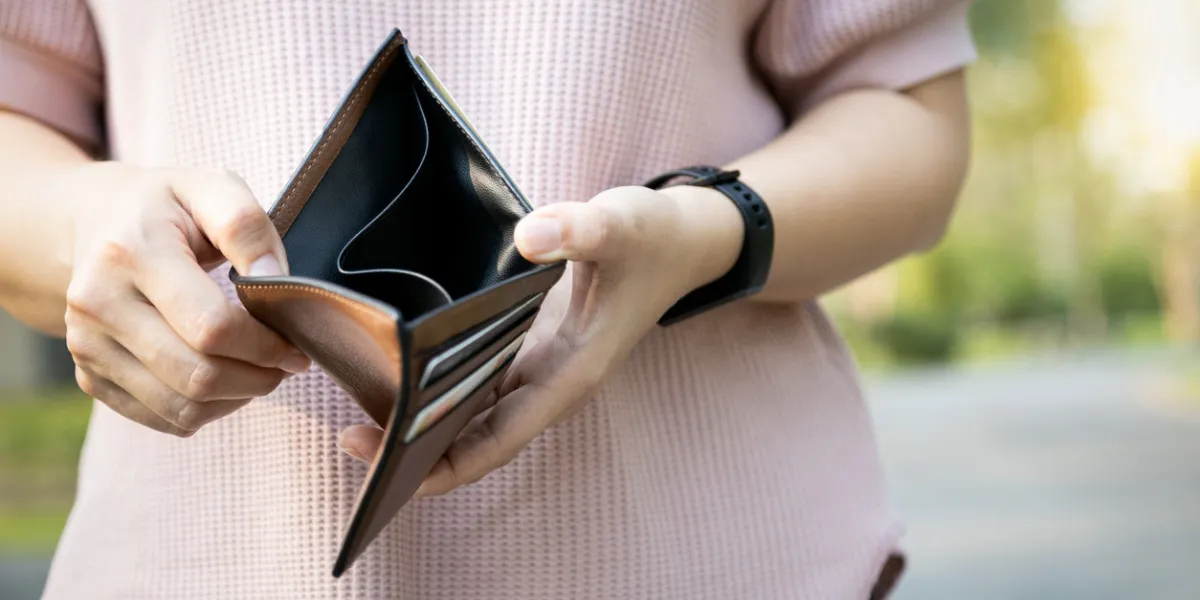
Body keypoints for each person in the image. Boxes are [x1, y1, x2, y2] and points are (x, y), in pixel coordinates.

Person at [0, 1, 974, 598]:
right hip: (206, 564)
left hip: (713, 555)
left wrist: (703, 233)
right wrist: (87, 222)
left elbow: (906, 117)